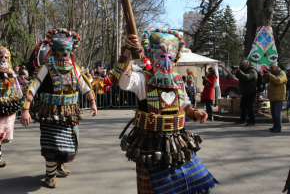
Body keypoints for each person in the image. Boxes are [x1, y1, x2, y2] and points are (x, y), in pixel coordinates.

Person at [112, 28, 217, 194]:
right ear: (152, 57)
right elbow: (123, 81)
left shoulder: (178, 81)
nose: (166, 62)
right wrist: (126, 51)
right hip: (149, 143)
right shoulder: (142, 79)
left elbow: (184, 104)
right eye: (161, 57)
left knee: (192, 184)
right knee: (153, 189)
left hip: (178, 142)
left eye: (169, 57)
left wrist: (194, 113)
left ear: (174, 59)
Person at [20, 28, 97, 188]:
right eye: (60, 50)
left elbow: (84, 86)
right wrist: (25, 109)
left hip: (70, 112)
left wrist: (93, 102)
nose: (64, 54)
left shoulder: (74, 67)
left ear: (71, 51)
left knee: (69, 143)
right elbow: (33, 86)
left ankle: (60, 163)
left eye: (67, 50)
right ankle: (50, 175)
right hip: (50, 111)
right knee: (52, 143)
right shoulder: (46, 66)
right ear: (54, 50)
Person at [0, 47, 23, 168]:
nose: (3, 59)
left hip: (6, 108)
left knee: (2, 134)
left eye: (5, 57)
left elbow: (18, 89)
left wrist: (20, 98)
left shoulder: (12, 75)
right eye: (1, 57)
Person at [262, 62, 287, 132]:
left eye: (272, 67)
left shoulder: (282, 73)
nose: (271, 69)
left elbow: (279, 81)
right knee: (273, 112)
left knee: (277, 112)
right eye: (270, 68)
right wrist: (265, 75)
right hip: (272, 96)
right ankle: (275, 126)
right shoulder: (271, 74)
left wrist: (270, 75)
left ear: (277, 67)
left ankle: (278, 127)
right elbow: (264, 81)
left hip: (279, 96)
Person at [235, 60, 258, 126]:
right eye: (242, 65)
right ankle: (243, 119)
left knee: (250, 107)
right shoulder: (244, 70)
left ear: (248, 65)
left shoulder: (252, 71)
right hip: (245, 91)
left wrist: (239, 71)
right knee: (243, 106)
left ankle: (252, 121)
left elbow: (246, 77)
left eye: (244, 65)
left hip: (250, 91)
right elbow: (239, 77)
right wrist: (237, 72)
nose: (243, 66)